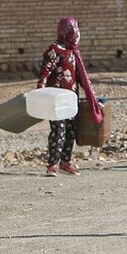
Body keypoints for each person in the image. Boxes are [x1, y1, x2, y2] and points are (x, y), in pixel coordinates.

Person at [37, 17, 103, 177]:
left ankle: (65, 162)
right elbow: (45, 73)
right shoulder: (55, 50)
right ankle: (52, 164)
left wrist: (93, 98)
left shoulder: (74, 52)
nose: (77, 34)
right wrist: (40, 90)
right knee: (58, 131)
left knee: (71, 131)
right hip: (56, 100)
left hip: (71, 99)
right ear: (66, 31)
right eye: (75, 30)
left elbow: (81, 77)